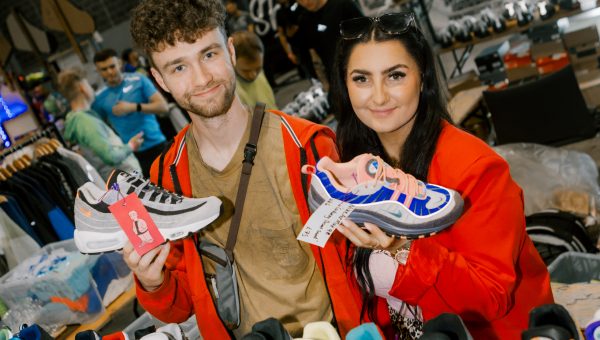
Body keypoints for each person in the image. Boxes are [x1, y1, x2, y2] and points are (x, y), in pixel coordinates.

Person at [125, 0, 362, 338]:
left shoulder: (306, 146)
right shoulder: (167, 176)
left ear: (231, 51)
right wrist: (153, 281)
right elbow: (180, 307)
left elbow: (357, 266)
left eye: (209, 54)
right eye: (179, 67)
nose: (202, 78)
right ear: (159, 80)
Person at [329, 12, 554, 338]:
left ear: (422, 77)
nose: (378, 96)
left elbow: (491, 297)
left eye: (394, 76)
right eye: (361, 79)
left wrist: (402, 246)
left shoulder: (475, 169)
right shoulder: (354, 164)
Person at [92, 48, 169, 177]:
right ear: (98, 71)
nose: (110, 72)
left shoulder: (138, 79)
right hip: (132, 155)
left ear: (120, 64)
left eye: (112, 66)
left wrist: (133, 107)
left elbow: (163, 107)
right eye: (104, 69)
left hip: (158, 144)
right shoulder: (99, 98)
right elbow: (100, 128)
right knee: (154, 194)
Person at [58, 67, 142, 180]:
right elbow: (110, 157)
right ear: (82, 87)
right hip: (126, 183)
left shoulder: (78, 119)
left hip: (122, 182)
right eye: (88, 85)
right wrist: (131, 146)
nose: (91, 89)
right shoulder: (84, 121)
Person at [296, 0, 363, 90]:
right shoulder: (304, 20)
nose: (305, 2)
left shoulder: (343, 5)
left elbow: (366, 35)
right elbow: (308, 55)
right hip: (335, 78)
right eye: (299, 0)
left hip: (360, 68)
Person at [231, 30, 277, 109]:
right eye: (246, 71)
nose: (253, 75)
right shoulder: (232, 92)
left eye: (258, 69)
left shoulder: (258, 73)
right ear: (232, 61)